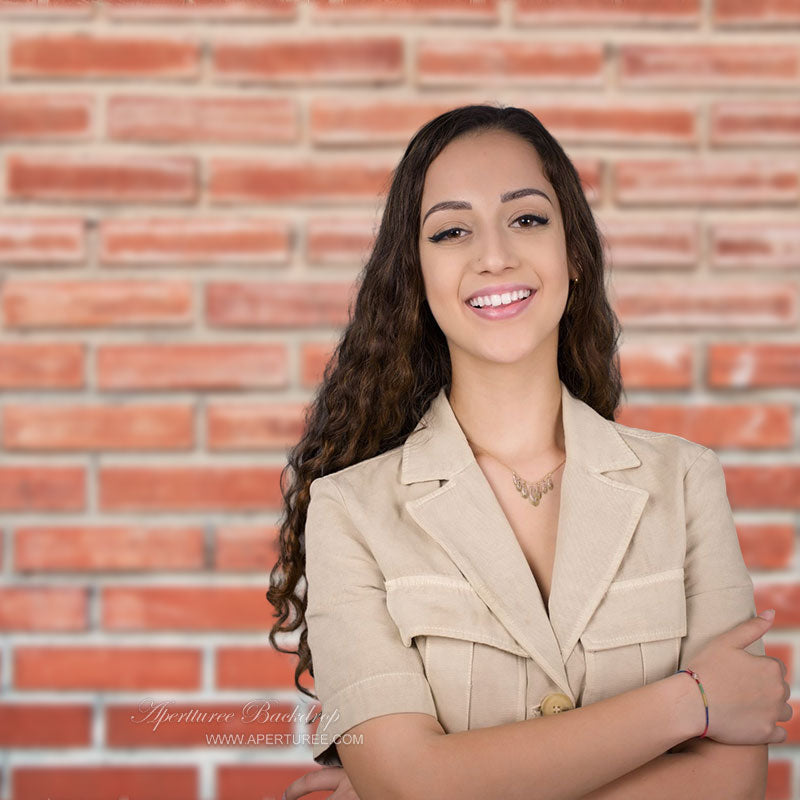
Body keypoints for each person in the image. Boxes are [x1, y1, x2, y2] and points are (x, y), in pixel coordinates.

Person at [267, 104, 792, 800]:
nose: (494, 255)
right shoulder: (349, 512)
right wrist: (689, 703)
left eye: (527, 218)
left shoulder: (685, 482)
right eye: (452, 231)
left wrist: (441, 783)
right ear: (415, 276)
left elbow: (732, 785)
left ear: (572, 250)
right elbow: (409, 785)